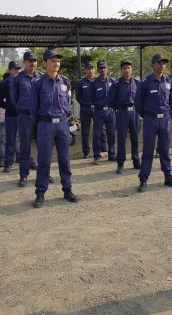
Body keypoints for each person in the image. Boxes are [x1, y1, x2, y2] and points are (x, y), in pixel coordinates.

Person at [30, 49, 78, 207]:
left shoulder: (65, 82)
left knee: (64, 158)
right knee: (44, 160)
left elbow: (68, 103)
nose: (56, 63)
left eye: (58, 61)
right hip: (45, 125)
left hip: (62, 125)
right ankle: (40, 193)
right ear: (45, 63)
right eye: (52, 61)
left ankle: (67, 189)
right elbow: (33, 108)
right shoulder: (37, 83)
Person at [134, 54, 172, 192]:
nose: (162, 66)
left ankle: (168, 177)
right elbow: (138, 103)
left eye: (163, 63)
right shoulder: (145, 82)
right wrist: (146, 115)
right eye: (159, 63)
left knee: (165, 150)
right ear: (152, 64)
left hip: (164, 120)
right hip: (150, 119)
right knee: (148, 151)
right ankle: (143, 179)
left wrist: (168, 116)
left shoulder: (169, 82)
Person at [10, 51, 42, 187]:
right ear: (24, 62)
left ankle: (44, 173)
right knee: (25, 146)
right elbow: (14, 98)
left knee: (43, 146)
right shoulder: (18, 79)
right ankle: (23, 175)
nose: (32, 63)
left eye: (34, 61)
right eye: (30, 61)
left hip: (40, 117)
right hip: (24, 116)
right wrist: (23, 109)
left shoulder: (42, 77)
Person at [108, 59, 140, 174]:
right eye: (124, 68)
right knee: (121, 138)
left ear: (131, 69)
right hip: (122, 113)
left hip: (134, 113)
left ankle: (136, 161)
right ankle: (120, 163)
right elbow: (110, 101)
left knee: (135, 137)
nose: (127, 70)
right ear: (121, 70)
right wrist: (120, 108)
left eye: (128, 68)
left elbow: (140, 98)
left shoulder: (137, 83)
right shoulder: (116, 84)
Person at [75, 61, 107, 159]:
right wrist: (85, 103)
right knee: (85, 132)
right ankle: (86, 152)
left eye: (92, 68)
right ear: (85, 70)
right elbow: (78, 97)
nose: (91, 70)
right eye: (88, 69)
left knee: (100, 130)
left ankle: (104, 150)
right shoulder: (81, 83)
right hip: (85, 109)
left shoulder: (98, 81)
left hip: (97, 109)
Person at [0, 62, 22, 172]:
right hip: (10, 115)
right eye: (15, 69)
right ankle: (8, 163)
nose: (17, 71)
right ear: (10, 70)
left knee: (23, 139)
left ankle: (24, 160)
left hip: (23, 115)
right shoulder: (5, 83)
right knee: (9, 140)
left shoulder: (24, 81)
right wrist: (8, 106)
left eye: (19, 68)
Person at [90, 60, 116, 165]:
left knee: (111, 133)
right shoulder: (94, 83)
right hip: (99, 111)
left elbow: (116, 96)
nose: (103, 70)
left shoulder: (113, 82)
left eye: (104, 68)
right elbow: (91, 97)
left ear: (107, 69)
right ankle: (96, 156)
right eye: (100, 68)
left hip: (110, 111)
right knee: (97, 134)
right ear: (98, 69)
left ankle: (112, 154)